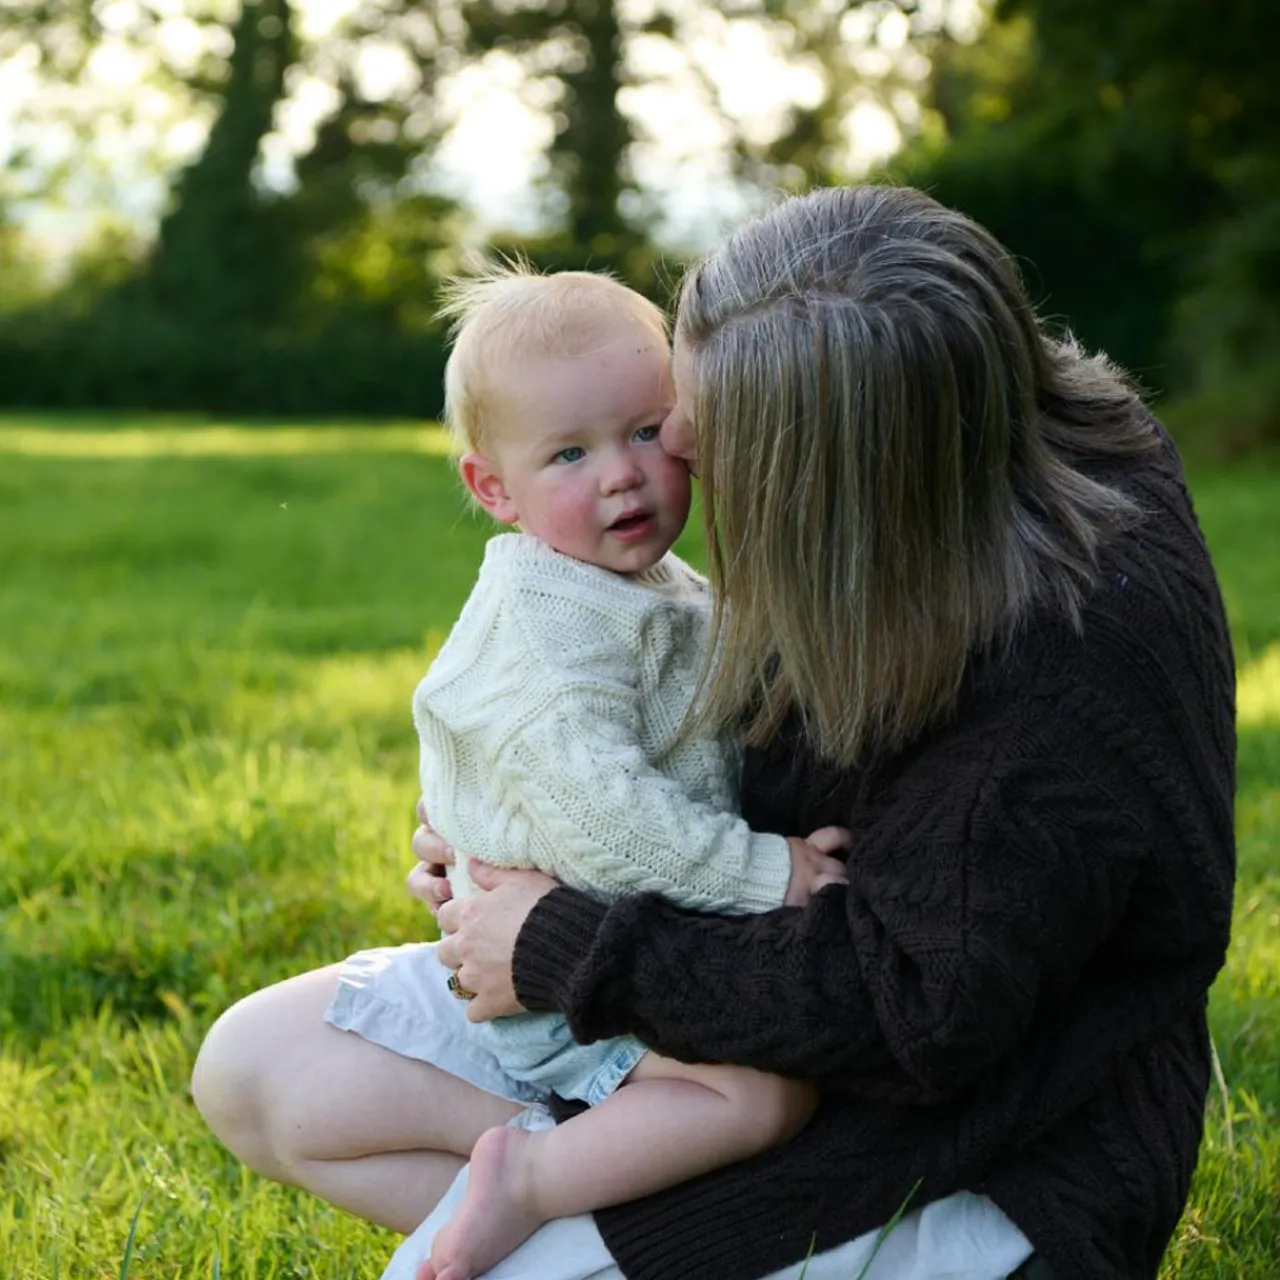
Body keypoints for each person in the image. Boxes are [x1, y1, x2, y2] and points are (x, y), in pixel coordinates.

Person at [192, 185, 1236, 1280]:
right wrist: (502, 833)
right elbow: (713, 758)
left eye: (685, 421)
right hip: (695, 989)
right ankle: (576, 1163)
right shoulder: (932, 484)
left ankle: (568, 1190)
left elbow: (912, 1007)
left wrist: (556, 941)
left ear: (846, 469)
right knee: (256, 1067)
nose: (673, 440)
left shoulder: (1057, 679)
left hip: (942, 1133)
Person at [398, 265, 848, 1280]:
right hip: (549, 973)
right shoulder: (550, 620)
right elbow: (605, 821)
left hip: (613, 926)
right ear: (492, 489)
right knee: (758, 1097)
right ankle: (530, 1179)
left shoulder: (636, 583)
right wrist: (766, 873)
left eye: (645, 430)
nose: (621, 474)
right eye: (569, 452)